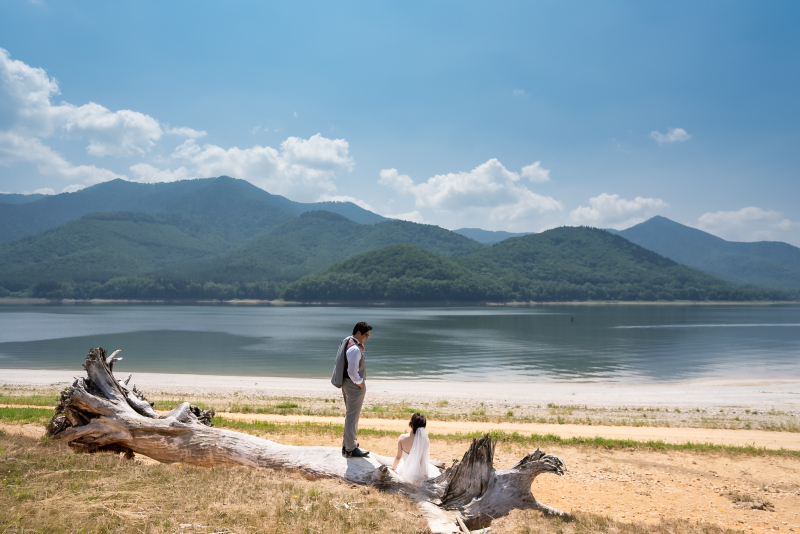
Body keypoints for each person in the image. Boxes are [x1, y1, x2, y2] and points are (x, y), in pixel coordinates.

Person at [331, 321, 372, 458]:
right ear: (358, 332)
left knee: (350, 415)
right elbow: (353, 372)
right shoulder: (354, 349)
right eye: (366, 335)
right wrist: (360, 383)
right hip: (353, 385)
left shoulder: (348, 341)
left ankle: (346, 444)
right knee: (352, 417)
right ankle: (350, 448)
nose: (367, 338)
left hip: (346, 383)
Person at [390, 413, 440, 483]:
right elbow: (422, 460)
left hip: (405, 469)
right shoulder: (424, 440)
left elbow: (398, 457)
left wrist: (393, 468)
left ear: (411, 424)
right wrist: (426, 475)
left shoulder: (402, 437)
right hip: (419, 471)